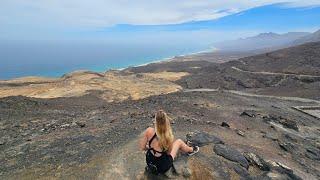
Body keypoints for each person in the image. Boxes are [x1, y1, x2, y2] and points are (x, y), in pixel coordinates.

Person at [139, 110, 199, 174]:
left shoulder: (149, 131)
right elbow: (168, 153)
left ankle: (189, 149)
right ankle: (191, 150)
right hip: (162, 167)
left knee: (154, 149)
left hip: (150, 162)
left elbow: (142, 147)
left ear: (155, 121)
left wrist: (151, 148)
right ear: (166, 122)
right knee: (179, 142)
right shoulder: (168, 137)